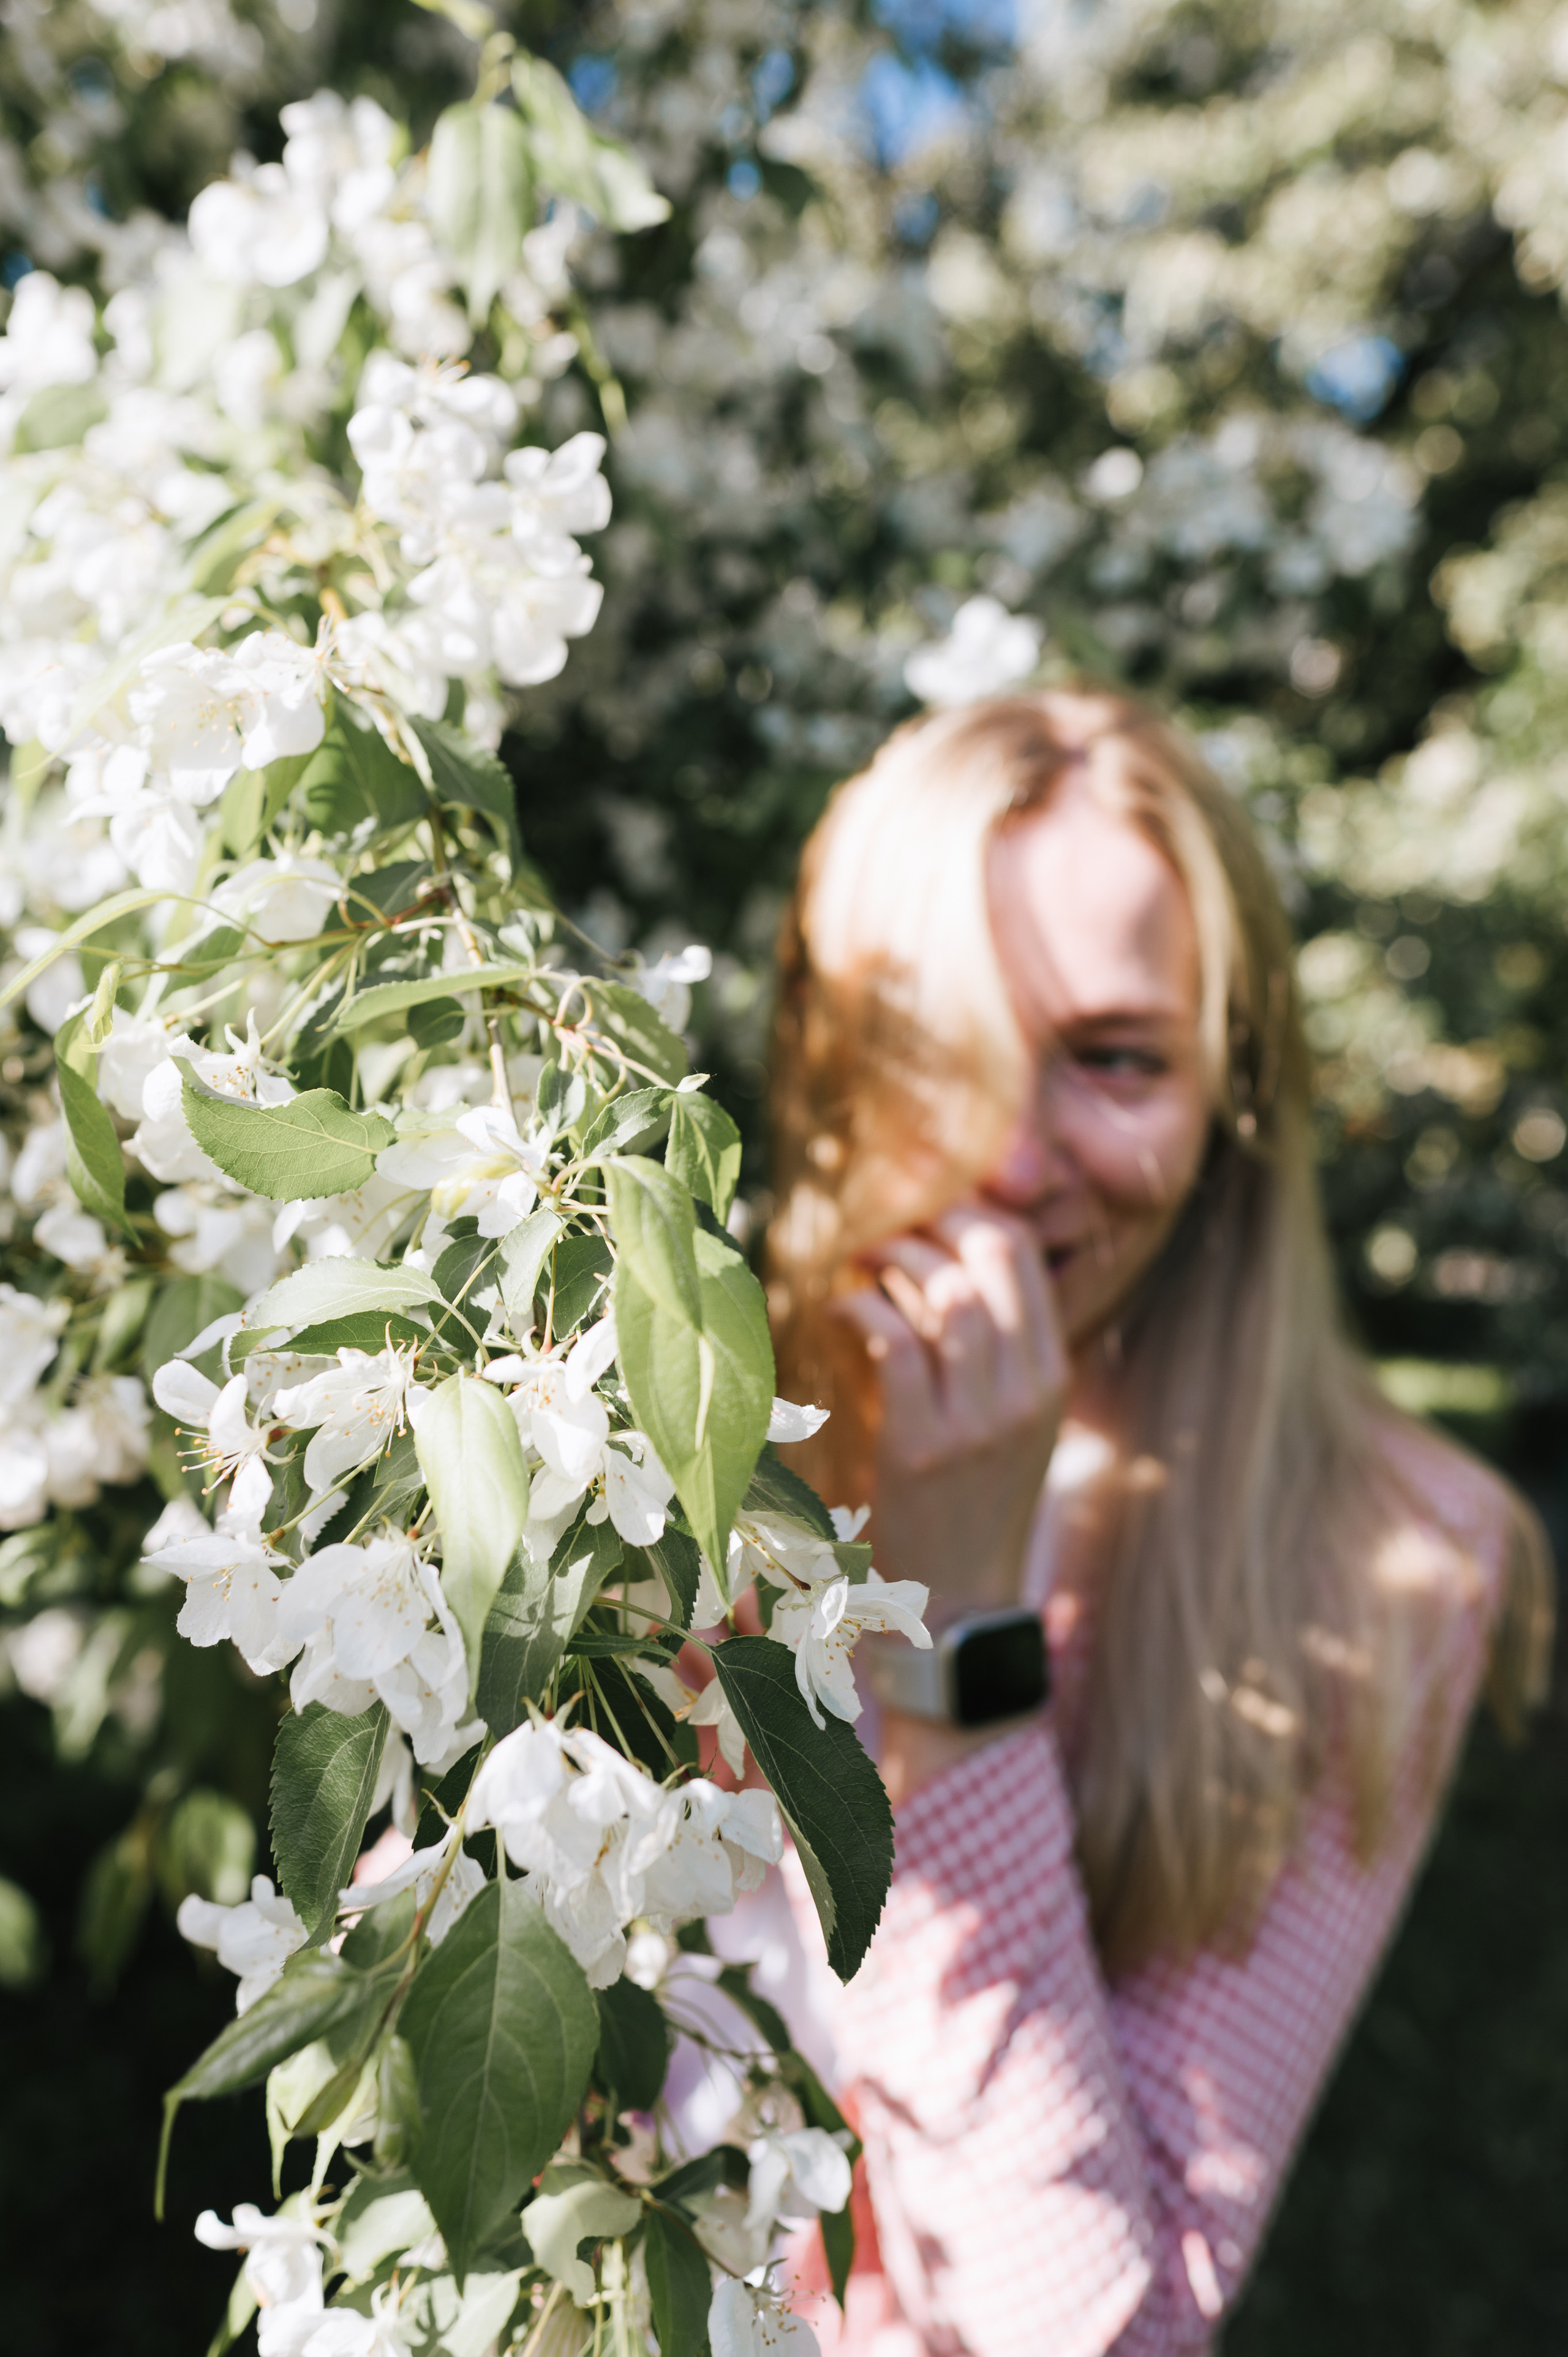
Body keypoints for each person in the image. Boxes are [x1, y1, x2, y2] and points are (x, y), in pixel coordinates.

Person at [760, 687, 1553, 2356]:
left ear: (1230, 1095)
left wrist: (960, 1640)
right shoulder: (656, 1430)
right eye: (930, 1043)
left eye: (1113, 1060)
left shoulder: (1385, 1560)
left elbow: (1109, 2334)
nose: (1009, 1159)